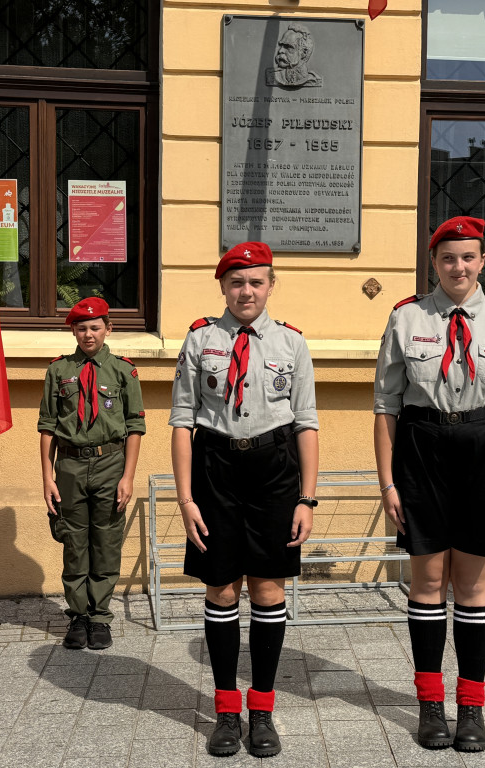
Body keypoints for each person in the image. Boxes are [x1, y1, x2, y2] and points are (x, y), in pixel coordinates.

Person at [373, 216, 485, 752]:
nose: (458, 267)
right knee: (426, 583)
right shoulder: (406, 318)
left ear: (482, 261)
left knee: (473, 584)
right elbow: (386, 408)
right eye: (447, 258)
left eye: (467, 257)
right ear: (434, 263)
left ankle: (471, 707)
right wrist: (388, 484)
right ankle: (429, 705)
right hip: (422, 451)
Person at [169, 241, 319, 758]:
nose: (246, 291)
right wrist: (186, 499)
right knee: (221, 590)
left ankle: (262, 710)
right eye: (237, 282)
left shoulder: (292, 345)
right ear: (223, 287)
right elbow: (182, 421)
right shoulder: (200, 340)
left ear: (271, 285)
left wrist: (307, 498)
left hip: (275, 473)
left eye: (256, 281)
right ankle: (227, 710)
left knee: (268, 591)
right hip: (215, 470)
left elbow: (306, 423)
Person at [38, 297, 145, 651]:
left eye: (95, 327)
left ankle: (100, 617)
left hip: (111, 463)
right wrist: (47, 477)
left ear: (108, 329)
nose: (88, 334)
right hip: (68, 466)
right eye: (82, 328)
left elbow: (134, 427)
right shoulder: (58, 370)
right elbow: (48, 427)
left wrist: (128, 477)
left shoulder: (123, 371)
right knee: (74, 541)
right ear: (73, 330)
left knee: (107, 540)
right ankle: (78, 615)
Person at [265, 23, 323, 88]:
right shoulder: (272, 76)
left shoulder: (314, 80)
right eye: (282, 46)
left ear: (304, 53)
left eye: (288, 47)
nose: (280, 51)